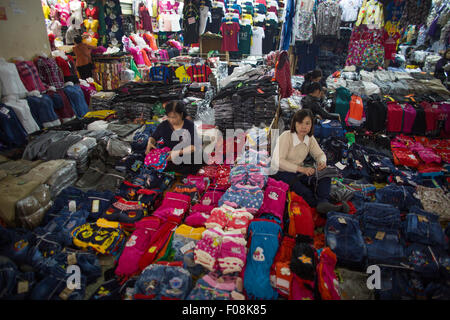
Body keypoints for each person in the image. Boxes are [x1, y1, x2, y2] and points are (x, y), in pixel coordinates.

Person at [270, 109, 347, 214]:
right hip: (281, 172)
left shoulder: (309, 138)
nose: (303, 127)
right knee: (306, 192)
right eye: (300, 123)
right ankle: (323, 206)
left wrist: (321, 162)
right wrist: (301, 169)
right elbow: (278, 161)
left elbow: (320, 154)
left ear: (311, 125)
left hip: (299, 171)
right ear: (294, 123)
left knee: (325, 175)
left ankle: (323, 203)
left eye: (307, 123)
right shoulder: (286, 136)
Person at [145, 100, 203, 175]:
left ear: (181, 114)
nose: (171, 120)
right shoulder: (164, 125)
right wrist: (150, 143)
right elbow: (153, 137)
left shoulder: (189, 125)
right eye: (169, 117)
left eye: (174, 117)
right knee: (155, 160)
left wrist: (176, 153)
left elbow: (193, 147)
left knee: (197, 158)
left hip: (186, 153)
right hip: (171, 155)